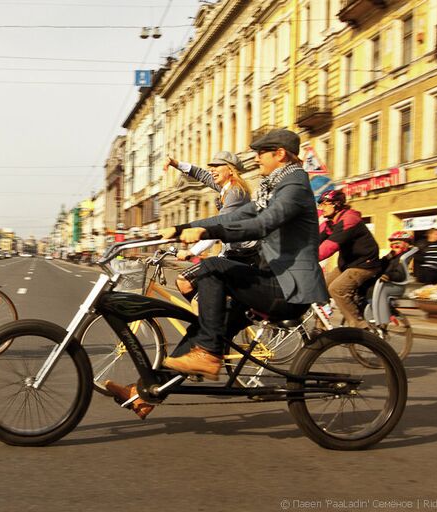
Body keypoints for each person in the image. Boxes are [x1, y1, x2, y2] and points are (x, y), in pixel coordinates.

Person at [104, 129, 328, 419]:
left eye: (261, 153)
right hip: (269, 279)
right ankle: (146, 393)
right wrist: (184, 228)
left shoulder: (294, 187)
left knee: (212, 268)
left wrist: (208, 231)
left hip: (288, 289)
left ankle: (208, 353)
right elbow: (236, 216)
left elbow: (262, 224)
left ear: (280, 154)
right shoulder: (272, 185)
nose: (256, 158)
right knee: (200, 330)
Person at [164, 151, 258, 301]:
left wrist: (191, 252)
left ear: (230, 169)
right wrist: (176, 164)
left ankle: (212, 322)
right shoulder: (226, 188)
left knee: (186, 283)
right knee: (197, 291)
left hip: (241, 255)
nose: (212, 169)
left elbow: (218, 227)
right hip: (230, 253)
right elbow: (201, 174)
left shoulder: (236, 192)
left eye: (217, 166)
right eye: (211, 166)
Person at [318, 189, 381, 329]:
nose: (321, 208)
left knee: (337, 289)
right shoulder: (332, 222)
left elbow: (330, 246)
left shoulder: (349, 219)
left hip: (364, 264)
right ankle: (320, 327)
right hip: (347, 264)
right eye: (320, 205)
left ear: (336, 204)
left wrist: (310, 259)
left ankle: (359, 325)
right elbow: (316, 241)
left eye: (324, 204)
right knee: (320, 288)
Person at [371, 231, 414, 327]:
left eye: (397, 243)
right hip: (387, 281)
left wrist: (389, 275)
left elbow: (400, 274)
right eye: (392, 244)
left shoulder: (404, 257)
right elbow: (380, 265)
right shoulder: (393, 256)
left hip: (394, 283)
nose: (394, 246)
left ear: (406, 244)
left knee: (371, 290)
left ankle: (381, 317)